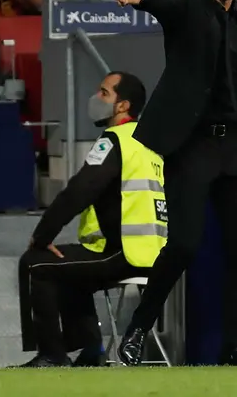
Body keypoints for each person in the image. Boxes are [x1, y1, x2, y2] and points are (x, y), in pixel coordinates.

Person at [115, 0, 237, 366]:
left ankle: (233, 348)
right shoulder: (187, 4)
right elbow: (163, 1)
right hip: (194, 145)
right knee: (183, 245)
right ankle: (137, 330)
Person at [18, 72, 165, 368]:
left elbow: (79, 191)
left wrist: (44, 234)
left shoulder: (115, 140)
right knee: (72, 272)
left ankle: (52, 355)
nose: (96, 99)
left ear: (122, 106)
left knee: (35, 262)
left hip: (124, 252)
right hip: (156, 253)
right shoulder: (150, 142)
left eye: (103, 92)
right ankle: (91, 351)